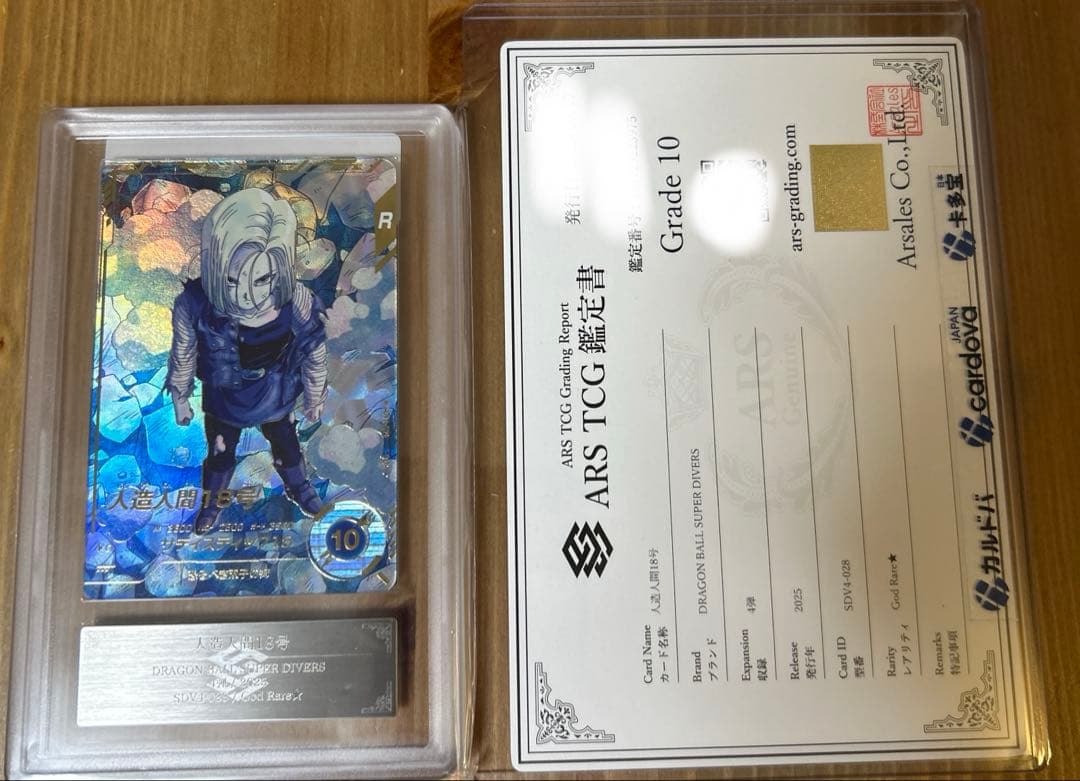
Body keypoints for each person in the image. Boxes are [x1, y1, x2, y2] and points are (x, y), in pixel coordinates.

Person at [166, 188, 328, 534]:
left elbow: (314, 350)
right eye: (232, 279)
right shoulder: (195, 302)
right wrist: (180, 396)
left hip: (276, 391)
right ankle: (212, 504)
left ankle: (301, 490)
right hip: (224, 395)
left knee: (287, 446)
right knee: (220, 453)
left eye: (262, 279)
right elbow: (183, 352)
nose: (246, 295)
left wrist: (315, 397)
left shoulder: (297, 300)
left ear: (279, 269)